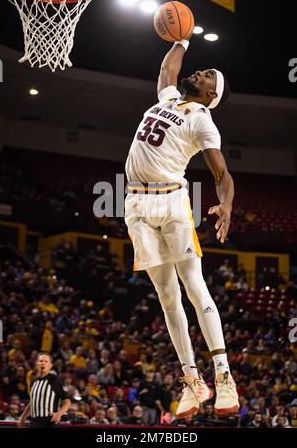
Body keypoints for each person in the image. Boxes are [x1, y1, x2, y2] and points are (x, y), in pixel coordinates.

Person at [125, 34, 239, 419]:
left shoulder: (204, 122)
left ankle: (223, 375)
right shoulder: (170, 99)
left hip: (172, 202)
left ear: (211, 96)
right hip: (136, 205)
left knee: (194, 285)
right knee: (166, 295)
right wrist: (182, 38)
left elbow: (221, 173)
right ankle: (193, 379)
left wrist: (225, 204)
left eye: (210, 75)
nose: (202, 72)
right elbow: (166, 69)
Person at [17, 353, 71, 428]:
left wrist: (59, 414)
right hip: (34, 422)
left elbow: (67, 402)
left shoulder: (56, 380)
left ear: (50, 365)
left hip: (49, 422)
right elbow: (33, 402)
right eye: (41, 361)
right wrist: (23, 417)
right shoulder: (33, 381)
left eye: (46, 361)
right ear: (36, 364)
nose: (43, 363)